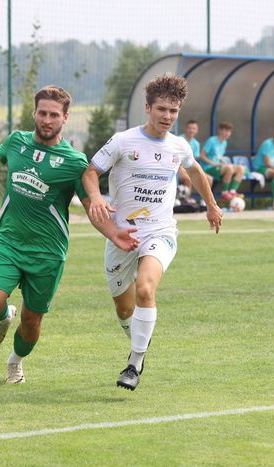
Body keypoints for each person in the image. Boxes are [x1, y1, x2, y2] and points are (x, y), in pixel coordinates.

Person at [0, 85, 138, 384]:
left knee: (31, 321)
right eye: (42, 113)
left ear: (65, 118)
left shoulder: (74, 161)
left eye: (54, 115)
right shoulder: (16, 142)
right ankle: (4, 316)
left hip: (47, 253)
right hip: (8, 242)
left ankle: (15, 361)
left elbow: (90, 206)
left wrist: (114, 234)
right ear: (34, 113)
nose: (47, 120)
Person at [81, 74, 223, 391]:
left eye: (173, 111)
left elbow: (196, 171)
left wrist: (212, 205)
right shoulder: (123, 141)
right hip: (122, 236)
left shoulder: (179, 146)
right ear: (147, 108)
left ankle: (134, 363)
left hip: (160, 233)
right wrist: (96, 198)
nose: (167, 116)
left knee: (146, 289)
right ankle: (139, 340)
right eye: (161, 109)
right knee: (124, 309)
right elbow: (90, 172)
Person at [199, 122, 245, 201]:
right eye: (226, 131)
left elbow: (218, 156)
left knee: (241, 168)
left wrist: (222, 161)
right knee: (229, 168)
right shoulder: (211, 140)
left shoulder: (224, 143)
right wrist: (213, 163)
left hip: (218, 167)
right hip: (208, 168)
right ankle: (224, 193)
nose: (228, 133)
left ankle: (232, 191)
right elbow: (202, 156)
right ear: (220, 131)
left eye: (229, 131)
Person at [178, 119, 213, 207]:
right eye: (189, 128)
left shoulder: (196, 144)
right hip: (178, 166)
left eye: (194, 128)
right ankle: (187, 200)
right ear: (186, 129)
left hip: (189, 166)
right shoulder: (179, 140)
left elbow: (194, 160)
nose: (191, 130)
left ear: (197, 130)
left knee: (209, 178)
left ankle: (204, 202)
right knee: (187, 178)